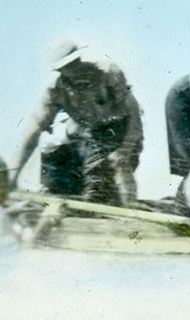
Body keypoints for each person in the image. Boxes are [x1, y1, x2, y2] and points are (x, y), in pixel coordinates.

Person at [9, 44, 143, 206]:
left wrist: (124, 150)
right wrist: (13, 174)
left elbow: (133, 113)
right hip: (91, 141)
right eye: (67, 67)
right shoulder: (56, 89)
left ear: (80, 58)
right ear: (60, 71)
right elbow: (33, 131)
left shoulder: (108, 73)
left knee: (116, 168)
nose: (75, 70)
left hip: (122, 134)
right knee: (56, 155)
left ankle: (130, 209)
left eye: (75, 62)